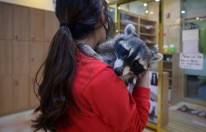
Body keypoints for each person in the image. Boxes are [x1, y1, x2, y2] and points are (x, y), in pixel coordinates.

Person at [32, 0, 150, 131]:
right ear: (101, 18)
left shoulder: (62, 59)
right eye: (106, 11)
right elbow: (135, 127)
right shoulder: (100, 76)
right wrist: (145, 73)